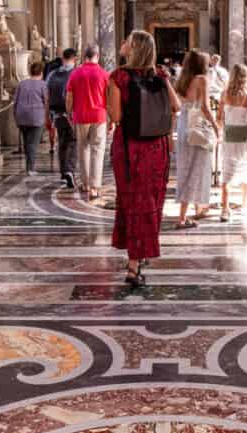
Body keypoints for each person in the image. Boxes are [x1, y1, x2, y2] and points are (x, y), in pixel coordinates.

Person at [108, 30, 180, 287]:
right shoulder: (159, 75)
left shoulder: (118, 77)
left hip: (129, 148)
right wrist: (161, 78)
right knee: (150, 201)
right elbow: (176, 106)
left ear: (134, 48)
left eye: (126, 40)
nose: (122, 43)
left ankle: (133, 266)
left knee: (131, 202)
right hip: (156, 149)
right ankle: (140, 255)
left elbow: (115, 117)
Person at [174, 50, 218, 228]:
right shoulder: (202, 80)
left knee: (186, 168)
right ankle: (183, 217)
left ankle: (195, 209)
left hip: (184, 123)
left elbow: (180, 104)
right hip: (197, 124)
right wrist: (216, 126)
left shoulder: (182, 80)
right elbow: (205, 108)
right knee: (197, 168)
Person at [66, 44, 110, 201]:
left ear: (84, 57)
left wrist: (69, 112)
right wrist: (111, 119)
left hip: (80, 116)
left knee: (83, 148)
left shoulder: (75, 73)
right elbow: (109, 98)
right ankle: (94, 187)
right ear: (97, 56)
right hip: (99, 116)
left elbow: (69, 96)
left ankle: (85, 183)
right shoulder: (104, 74)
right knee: (98, 150)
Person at [218, 64, 247, 221]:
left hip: (229, 136)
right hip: (244, 136)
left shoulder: (224, 94)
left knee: (227, 170)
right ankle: (244, 205)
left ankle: (225, 209)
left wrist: (221, 132)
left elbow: (220, 118)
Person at [46, 48, 78, 188]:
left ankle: (63, 172)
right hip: (71, 113)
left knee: (62, 141)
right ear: (74, 58)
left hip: (56, 113)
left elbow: (47, 95)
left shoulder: (53, 74)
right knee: (72, 141)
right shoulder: (75, 73)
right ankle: (69, 170)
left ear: (63, 58)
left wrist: (47, 114)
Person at [13, 61, 48, 175]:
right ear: (41, 72)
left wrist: (16, 117)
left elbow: (15, 101)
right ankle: (30, 169)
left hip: (21, 115)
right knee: (33, 143)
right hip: (36, 117)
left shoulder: (21, 84)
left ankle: (28, 166)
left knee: (27, 142)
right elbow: (46, 102)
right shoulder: (43, 85)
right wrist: (47, 117)